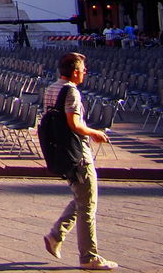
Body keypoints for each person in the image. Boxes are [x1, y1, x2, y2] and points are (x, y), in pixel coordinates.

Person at [41, 52, 117, 270]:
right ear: (75, 72)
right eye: (83, 70)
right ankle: (89, 257)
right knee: (88, 205)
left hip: (62, 152)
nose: (85, 73)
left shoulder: (52, 88)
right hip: (78, 154)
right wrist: (94, 133)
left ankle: (56, 235)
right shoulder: (72, 92)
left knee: (83, 197)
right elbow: (74, 123)